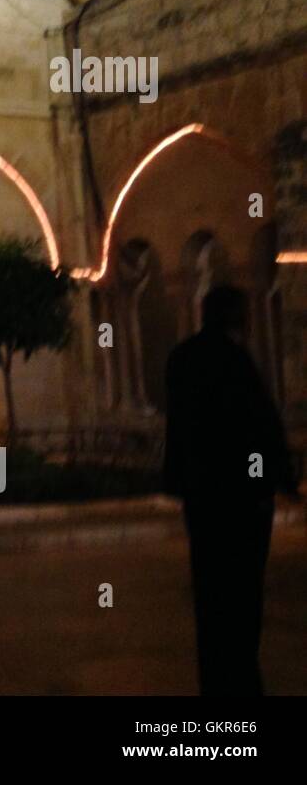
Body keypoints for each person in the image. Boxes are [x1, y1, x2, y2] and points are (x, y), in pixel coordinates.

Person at [164, 284, 298, 695]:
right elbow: (261, 426)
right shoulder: (235, 361)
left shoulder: (182, 358)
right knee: (242, 594)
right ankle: (240, 679)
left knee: (209, 591)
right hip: (240, 500)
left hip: (202, 499)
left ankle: (215, 679)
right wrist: (282, 481)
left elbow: (181, 428)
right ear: (238, 317)